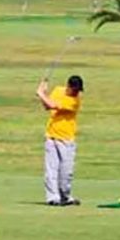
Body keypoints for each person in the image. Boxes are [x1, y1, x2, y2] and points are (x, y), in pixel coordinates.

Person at [36, 75, 83, 206]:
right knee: (51, 169)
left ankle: (65, 196)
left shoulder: (74, 101)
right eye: (74, 89)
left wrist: (41, 93)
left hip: (67, 140)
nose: (76, 92)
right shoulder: (58, 90)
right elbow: (47, 106)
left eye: (78, 90)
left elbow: (51, 104)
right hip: (51, 136)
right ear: (68, 86)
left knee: (66, 173)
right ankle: (52, 198)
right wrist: (43, 93)